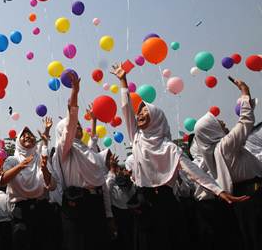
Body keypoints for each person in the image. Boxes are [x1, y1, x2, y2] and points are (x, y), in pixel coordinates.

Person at [110, 63, 248, 250]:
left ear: (157, 119)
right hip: (144, 203)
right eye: (139, 111)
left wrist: (219, 192)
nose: (140, 114)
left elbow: (194, 172)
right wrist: (122, 81)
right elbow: (126, 109)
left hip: (166, 204)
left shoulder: (169, 147)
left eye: (145, 111)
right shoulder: (136, 137)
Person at [194, 77, 262, 250]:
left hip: (245, 195)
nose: (223, 122)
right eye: (217, 122)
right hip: (252, 193)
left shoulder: (217, 149)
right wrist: (245, 92)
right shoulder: (224, 146)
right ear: (210, 129)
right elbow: (246, 122)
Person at [56, 73, 113, 250]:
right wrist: (75, 93)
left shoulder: (87, 151)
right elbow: (71, 124)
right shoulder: (65, 148)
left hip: (95, 204)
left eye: (80, 126)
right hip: (76, 204)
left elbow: (102, 184)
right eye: (74, 126)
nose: (77, 127)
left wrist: (109, 214)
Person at [0, 117, 56, 250]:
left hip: (42, 209)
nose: (27, 137)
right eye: (23, 136)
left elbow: (52, 186)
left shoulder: (40, 159)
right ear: (18, 141)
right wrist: (20, 166)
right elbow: (2, 181)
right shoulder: (12, 160)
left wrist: (45, 169)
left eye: (30, 135)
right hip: (21, 212)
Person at [105, 153, 135, 250]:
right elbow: (107, 197)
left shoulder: (127, 181)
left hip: (130, 212)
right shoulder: (110, 181)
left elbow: (131, 192)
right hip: (117, 214)